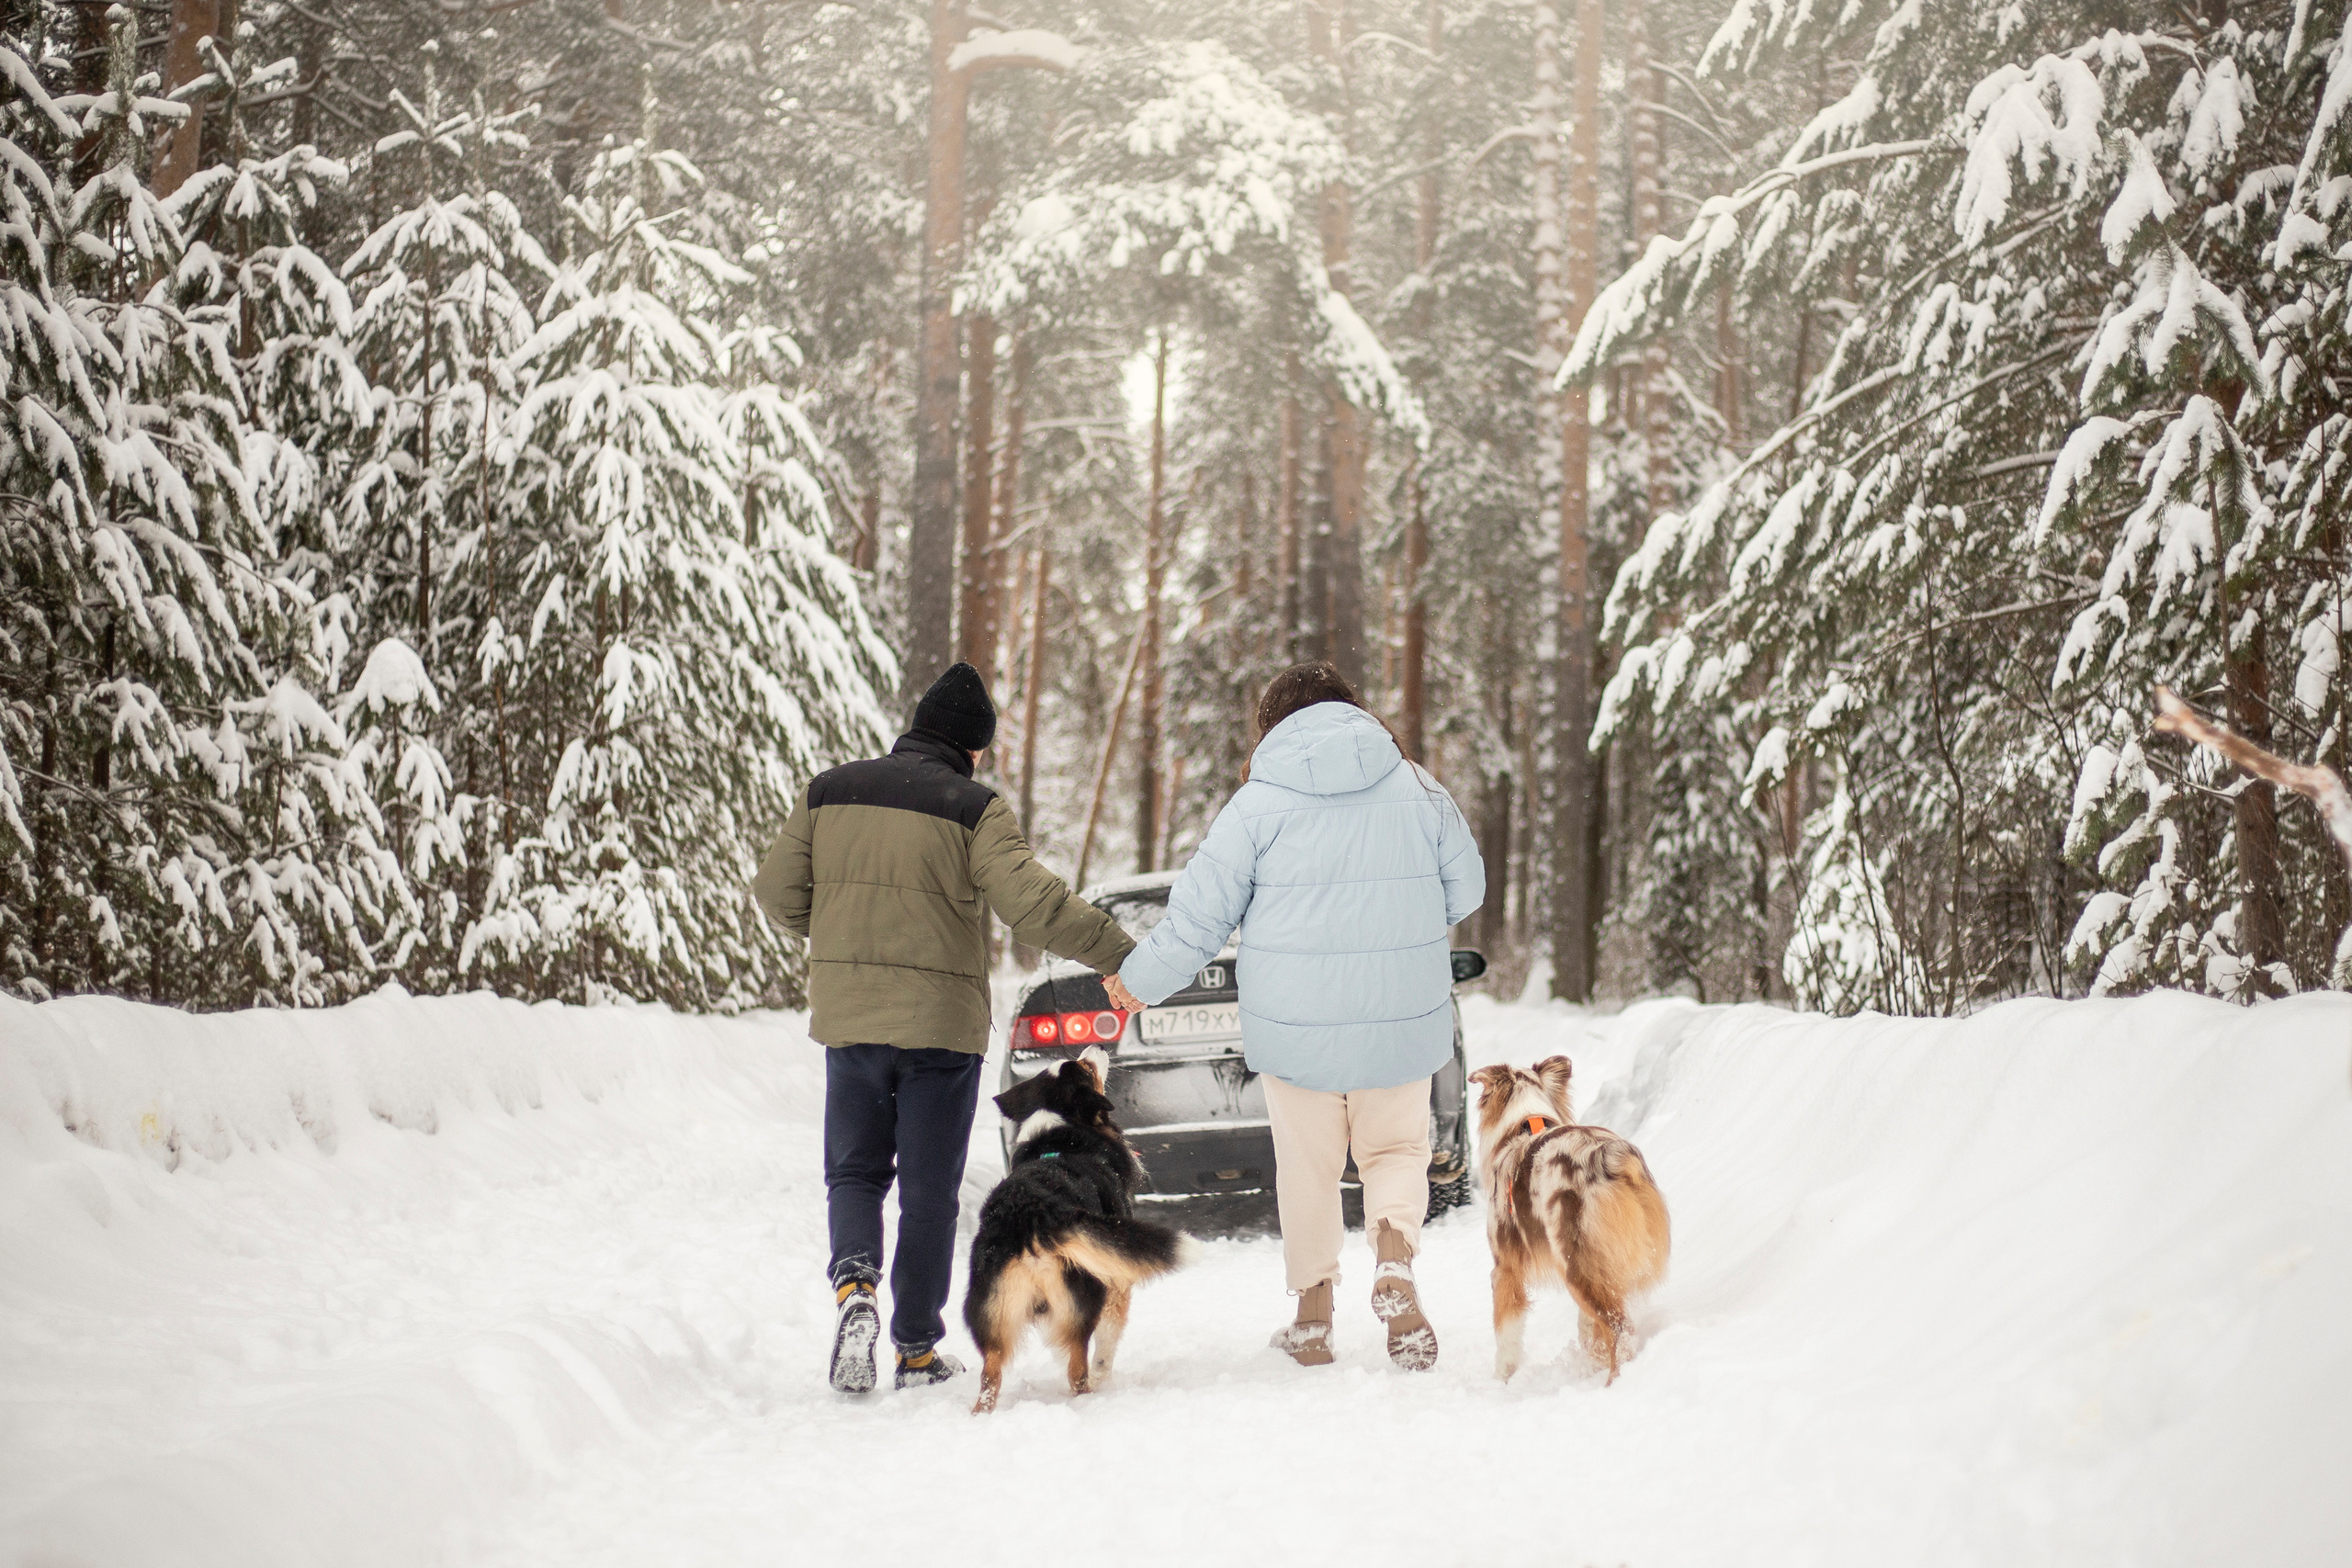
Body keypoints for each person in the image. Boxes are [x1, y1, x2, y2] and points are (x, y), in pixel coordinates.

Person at [753, 662, 1136, 1394]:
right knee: (929, 1189)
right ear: (973, 748)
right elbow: (1036, 908)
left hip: (852, 1018)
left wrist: (835, 937)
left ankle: (854, 1288)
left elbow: (775, 890)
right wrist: (1126, 954)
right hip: (940, 1033)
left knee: (856, 1172)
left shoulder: (830, 790)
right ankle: (916, 1348)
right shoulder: (973, 808)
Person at [1112, 661, 1484, 1371]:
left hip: (1295, 1022)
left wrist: (1138, 983)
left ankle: (1313, 1322)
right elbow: (1466, 888)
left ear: (1272, 726)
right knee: (1394, 1152)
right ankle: (1396, 1264)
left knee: (1307, 1169)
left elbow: (1197, 920)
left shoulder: (1256, 805)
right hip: (1399, 1012)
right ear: (1352, 710)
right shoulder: (1416, 786)